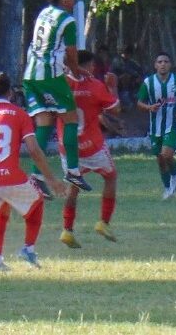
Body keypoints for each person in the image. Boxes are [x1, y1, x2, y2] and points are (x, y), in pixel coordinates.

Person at [0, 72, 68, 271]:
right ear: (10, 93)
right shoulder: (19, 114)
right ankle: (28, 248)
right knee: (37, 202)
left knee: (1, 211)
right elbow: (34, 150)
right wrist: (51, 180)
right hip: (8, 176)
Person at [22, 0, 93, 195]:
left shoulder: (44, 13)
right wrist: (76, 69)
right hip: (50, 76)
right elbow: (72, 52)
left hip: (31, 76)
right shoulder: (67, 20)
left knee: (43, 123)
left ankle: (36, 176)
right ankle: (72, 170)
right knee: (71, 118)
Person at [56, 50, 121, 248]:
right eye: (91, 66)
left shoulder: (60, 84)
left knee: (72, 188)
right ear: (82, 66)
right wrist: (112, 87)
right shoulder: (95, 85)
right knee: (110, 177)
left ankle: (67, 230)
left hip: (68, 147)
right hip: (93, 146)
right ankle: (103, 222)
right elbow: (115, 109)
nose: (93, 69)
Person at [137, 52, 176, 200]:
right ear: (155, 65)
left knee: (166, 154)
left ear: (170, 64)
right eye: (160, 61)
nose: (163, 64)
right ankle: (168, 188)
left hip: (174, 124)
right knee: (160, 160)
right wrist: (149, 107)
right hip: (156, 127)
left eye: (166, 61)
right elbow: (139, 102)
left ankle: (175, 175)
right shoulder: (148, 82)